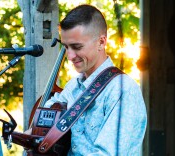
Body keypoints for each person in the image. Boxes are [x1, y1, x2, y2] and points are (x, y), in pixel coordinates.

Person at [41, 5, 147, 155]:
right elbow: (47, 115)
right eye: (66, 47)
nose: (70, 56)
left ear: (101, 42)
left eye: (77, 47)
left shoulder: (123, 90)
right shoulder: (73, 86)